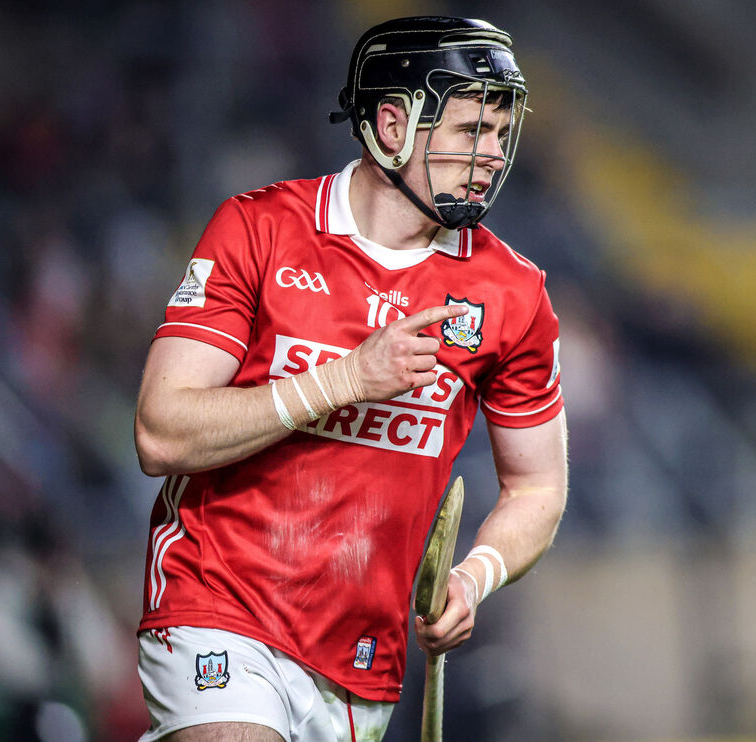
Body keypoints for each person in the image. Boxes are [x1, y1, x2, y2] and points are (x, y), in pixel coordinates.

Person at [132, 16, 567, 742]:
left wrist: (473, 577)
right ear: (391, 123)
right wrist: (345, 379)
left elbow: (539, 488)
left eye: (500, 132)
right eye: (469, 131)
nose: (491, 155)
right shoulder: (259, 229)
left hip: (360, 657)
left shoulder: (514, 294)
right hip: (218, 601)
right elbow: (159, 432)